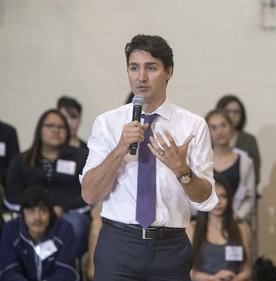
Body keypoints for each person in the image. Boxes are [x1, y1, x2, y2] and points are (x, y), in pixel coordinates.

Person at [81, 34, 218, 281]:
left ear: (169, 72)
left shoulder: (193, 125)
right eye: (134, 68)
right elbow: (90, 194)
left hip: (170, 248)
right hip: (119, 245)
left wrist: (182, 171)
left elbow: (206, 201)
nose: (141, 77)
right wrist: (120, 149)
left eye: (151, 68)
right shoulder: (107, 123)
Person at [4, 109, 91, 259]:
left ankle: (61, 270)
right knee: (12, 229)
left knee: (73, 226)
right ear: (40, 129)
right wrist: (36, 211)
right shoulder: (21, 160)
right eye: (50, 126)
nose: (56, 130)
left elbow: (89, 194)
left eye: (61, 127)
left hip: (69, 215)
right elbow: (11, 197)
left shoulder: (81, 157)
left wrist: (61, 209)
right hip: (29, 215)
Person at [0, 185, 80, 280]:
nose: (37, 217)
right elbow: (9, 270)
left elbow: (66, 271)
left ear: (50, 213)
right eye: (31, 211)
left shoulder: (64, 229)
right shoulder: (10, 229)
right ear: (22, 213)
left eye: (42, 211)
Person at [186, 174, 251, 281]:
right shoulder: (192, 228)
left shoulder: (240, 229)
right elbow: (188, 271)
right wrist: (211, 278)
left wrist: (236, 279)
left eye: (223, 196)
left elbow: (247, 269)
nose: (218, 202)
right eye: (214, 197)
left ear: (229, 199)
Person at [205, 109, 255, 221]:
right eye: (213, 128)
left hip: (233, 222)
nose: (219, 131)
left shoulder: (245, 162)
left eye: (223, 125)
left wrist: (238, 217)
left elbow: (250, 197)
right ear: (207, 132)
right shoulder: (200, 161)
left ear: (231, 128)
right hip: (204, 224)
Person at [215, 95, 261, 186]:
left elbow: (255, 175)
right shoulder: (212, 138)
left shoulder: (249, 140)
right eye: (228, 111)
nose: (232, 115)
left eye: (236, 112)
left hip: (242, 191)